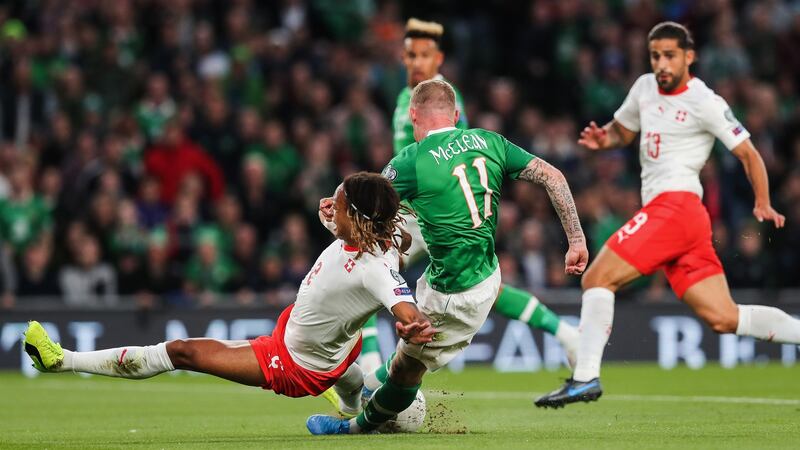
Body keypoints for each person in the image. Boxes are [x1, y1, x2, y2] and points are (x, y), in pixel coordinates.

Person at [535, 22, 795, 409]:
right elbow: (623, 131)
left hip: (675, 208)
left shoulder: (705, 100)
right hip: (679, 220)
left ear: (689, 57)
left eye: (670, 55)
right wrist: (602, 138)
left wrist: (762, 201)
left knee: (597, 278)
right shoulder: (643, 87)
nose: (661, 64)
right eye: (655, 55)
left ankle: (585, 378)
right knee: (724, 318)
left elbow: (749, 153)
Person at [306, 78, 588, 434]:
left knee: (404, 373)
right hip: (486, 275)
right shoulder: (490, 141)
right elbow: (554, 176)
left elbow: (361, 202)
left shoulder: (412, 161)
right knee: (393, 311)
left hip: (453, 295)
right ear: (456, 114)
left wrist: (332, 212)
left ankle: (355, 427)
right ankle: (367, 386)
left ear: (413, 115)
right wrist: (576, 240)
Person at [23, 172, 435, 415]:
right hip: (330, 344)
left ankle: (62, 361)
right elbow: (345, 220)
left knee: (181, 351)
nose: (330, 205)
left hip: (292, 363)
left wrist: (413, 326)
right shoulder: (364, 229)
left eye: (339, 204)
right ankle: (352, 408)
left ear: (358, 219)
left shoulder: (377, 268)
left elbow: (402, 305)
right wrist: (332, 209)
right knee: (349, 378)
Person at [357, 17, 580, 378]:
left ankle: (369, 369)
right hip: (410, 210)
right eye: (410, 55)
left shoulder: (444, 98)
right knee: (481, 289)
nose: (416, 62)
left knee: (370, 264)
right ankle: (566, 333)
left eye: (424, 55)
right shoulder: (405, 97)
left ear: (438, 59)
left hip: (430, 214)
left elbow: (454, 162)